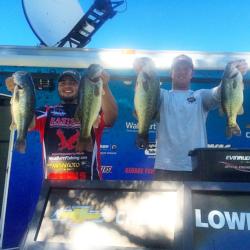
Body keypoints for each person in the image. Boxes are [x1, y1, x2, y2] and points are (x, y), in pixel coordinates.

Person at [6, 69, 118, 180]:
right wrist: (17, 93)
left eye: (72, 83)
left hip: (89, 182)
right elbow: (28, 123)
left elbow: (110, 118)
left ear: (82, 88)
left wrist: (105, 86)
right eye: (62, 83)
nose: (67, 86)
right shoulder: (46, 112)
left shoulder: (93, 111)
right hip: (54, 184)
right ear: (58, 87)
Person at [152, 55, 248, 181]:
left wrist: (234, 72)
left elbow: (219, 93)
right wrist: (143, 68)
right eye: (178, 68)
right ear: (172, 73)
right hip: (165, 167)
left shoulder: (200, 96)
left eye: (186, 69)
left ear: (192, 73)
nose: (182, 71)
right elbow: (146, 91)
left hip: (196, 166)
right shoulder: (162, 95)